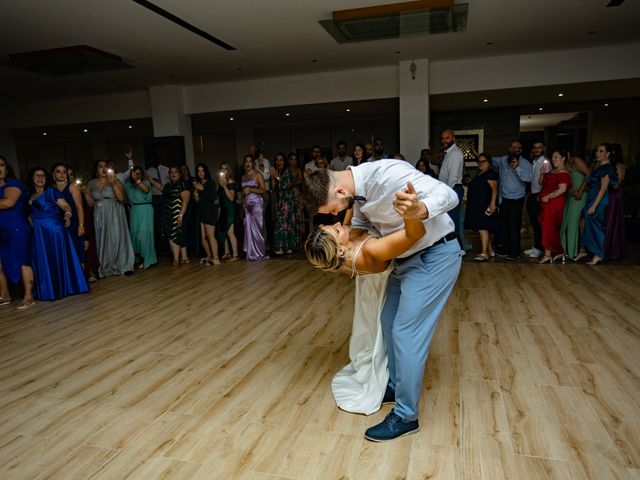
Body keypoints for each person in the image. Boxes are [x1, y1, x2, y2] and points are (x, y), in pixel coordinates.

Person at [303, 160, 460, 442]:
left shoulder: (388, 176)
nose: (338, 217)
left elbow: (449, 195)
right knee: (388, 322)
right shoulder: (358, 194)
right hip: (404, 262)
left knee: (406, 333)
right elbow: (364, 225)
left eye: (334, 210)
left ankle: (405, 415)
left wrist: (419, 210)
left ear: (339, 191)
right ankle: (396, 385)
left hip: (432, 256)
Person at [304, 183, 425, 415]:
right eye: (336, 230)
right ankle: (394, 378)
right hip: (380, 288)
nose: (339, 224)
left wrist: (352, 199)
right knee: (386, 328)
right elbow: (414, 234)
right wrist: (410, 213)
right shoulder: (371, 251)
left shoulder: (342, 253)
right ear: (340, 250)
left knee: (376, 327)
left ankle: (392, 374)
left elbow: (349, 225)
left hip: (367, 289)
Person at [27, 167, 89, 301]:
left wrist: (67, 215)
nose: (40, 178)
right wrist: (30, 219)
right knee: (44, 260)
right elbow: (31, 213)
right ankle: (49, 290)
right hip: (39, 233)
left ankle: (64, 287)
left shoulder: (51, 192)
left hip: (54, 231)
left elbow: (66, 206)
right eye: (37, 176)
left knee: (57, 257)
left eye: (43, 176)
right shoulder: (30, 196)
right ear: (32, 178)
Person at [85, 160, 135, 277]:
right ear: (96, 170)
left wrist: (113, 183)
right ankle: (104, 266)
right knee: (102, 238)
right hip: (99, 214)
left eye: (105, 166)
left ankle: (122, 264)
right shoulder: (91, 183)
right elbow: (91, 204)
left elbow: (122, 199)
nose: (103, 168)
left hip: (115, 211)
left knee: (116, 236)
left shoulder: (116, 180)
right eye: (100, 166)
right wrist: (86, 194)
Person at [0, 156, 35, 309]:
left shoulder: (14, 184)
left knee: (22, 261)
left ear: (6, 169)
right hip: (1, 231)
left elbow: (8, 202)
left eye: (1, 165)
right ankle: (4, 295)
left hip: (16, 228)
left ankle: (29, 296)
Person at [575, 143, 617, 265]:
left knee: (595, 225)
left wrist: (594, 206)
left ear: (608, 154)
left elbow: (603, 189)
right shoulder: (598, 167)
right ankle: (583, 250)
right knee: (583, 220)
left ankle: (598, 254)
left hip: (599, 200)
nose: (597, 153)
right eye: (597, 151)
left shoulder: (607, 168)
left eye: (601, 151)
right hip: (591, 198)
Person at [491, 141, 532, 260]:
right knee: (504, 225)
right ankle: (506, 249)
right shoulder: (503, 160)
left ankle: (515, 251)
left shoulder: (525, 163)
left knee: (514, 226)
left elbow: (529, 178)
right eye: (514, 147)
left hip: (516, 199)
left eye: (519, 147)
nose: (516, 149)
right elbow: (492, 161)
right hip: (503, 198)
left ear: (522, 150)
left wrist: (517, 167)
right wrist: (478, 154)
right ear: (509, 148)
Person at [537, 150, 572, 263]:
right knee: (545, 225)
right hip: (545, 203)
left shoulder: (564, 173)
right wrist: (542, 173)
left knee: (548, 226)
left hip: (554, 203)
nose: (553, 159)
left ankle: (548, 255)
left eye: (556, 157)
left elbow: (562, 189)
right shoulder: (551, 171)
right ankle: (558, 251)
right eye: (552, 157)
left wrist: (548, 197)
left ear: (563, 158)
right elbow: (541, 182)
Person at [464, 153, 498, 261]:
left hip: (485, 204)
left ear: (489, 162)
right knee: (482, 227)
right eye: (479, 161)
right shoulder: (479, 173)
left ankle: (484, 253)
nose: (481, 163)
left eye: (484, 161)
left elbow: (494, 190)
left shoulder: (491, 173)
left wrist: (492, 204)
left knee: (483, 228)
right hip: (477, 205)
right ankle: (490, 250)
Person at [51, 163, 85, 264]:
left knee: (77, 252)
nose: (62, 174)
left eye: (64, 172)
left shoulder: (72, 187)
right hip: (58, 225)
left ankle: (80, 279)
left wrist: (81, 226)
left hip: (73, 224)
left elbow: (79, 208)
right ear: (53, 174)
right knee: (64, 255)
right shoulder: (50, 189)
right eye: (58, 171)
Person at [125, 166, 157, 270]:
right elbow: (122, 196)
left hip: (145, 209)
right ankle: (138, 259)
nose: (137, 175)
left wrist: (138, 181)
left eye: (139, 173)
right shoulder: (127, 185)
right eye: (135, 173)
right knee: (134, 235)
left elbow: (146, 190)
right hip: (134, 210)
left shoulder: (145, 182)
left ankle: (149, 259)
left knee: (144, 235)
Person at [438, 129, 465, 249]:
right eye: (443, 138)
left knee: (452, 221)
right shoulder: (448, 153)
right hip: (451, 190)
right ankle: (455, 248)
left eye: (447, 138)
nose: (444, 140)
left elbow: (453, 178)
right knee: (450, 221)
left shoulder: (454, 154)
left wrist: (446, 195)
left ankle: (458, 248)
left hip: (453, 189)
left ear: (453, 139)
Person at [559, 154, 589, 260]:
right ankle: (565, 251)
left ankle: (575, 252)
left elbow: (589, 173)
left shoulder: (575, 160)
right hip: (570, 196)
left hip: (579, 196)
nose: (555, 159)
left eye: (557, 156)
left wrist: (580, 190)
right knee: (565, 223)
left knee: (573, 222)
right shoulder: (561, 166)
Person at [161, 166, 191, 267]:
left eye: (176, 172)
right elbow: (160, 188)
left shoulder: (183, 184)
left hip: (178, 213)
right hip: (168, 214)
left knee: (176, 235)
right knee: (170, 236)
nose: (173, 174)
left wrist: (180, 216)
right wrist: (150, 179)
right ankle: (177, 259)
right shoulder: (168, 186)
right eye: (171, 172)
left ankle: (176, 260)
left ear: (180, 174)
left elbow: (186, 202)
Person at [271, 153, 300, 254]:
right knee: (281, 224)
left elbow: (286, 184)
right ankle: (282, 247)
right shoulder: (277, 172)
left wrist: (277, 177)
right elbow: (274, 188)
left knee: (287, 223)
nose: (279, 162)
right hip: (280, 201)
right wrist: (273, 177)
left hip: (288, 201)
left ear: (284, 161)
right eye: (277, 160)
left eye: (281, 160)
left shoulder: (287, 171)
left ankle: (288, 247)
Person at [192, 163, 220, 265]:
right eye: (199, 171)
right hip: (201, 212)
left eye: (202, 170)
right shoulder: (198, 183)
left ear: (206, 171)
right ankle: (210, 256)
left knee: (210, 235)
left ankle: (216, 258)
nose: (201, 173)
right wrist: (195, 193)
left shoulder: (210, 183)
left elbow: (213, 197)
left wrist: (202, 189)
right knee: (203, 237)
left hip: (210, 211)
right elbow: (198, 201)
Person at [242, 154, 268, 260]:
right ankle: (251, 253)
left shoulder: (258, 174)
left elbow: (264, 190)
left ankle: (260, 253)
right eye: (246, 162)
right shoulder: (243, 176)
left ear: (253, 163)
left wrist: (251, 190)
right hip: (247, 206)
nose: (248, 163)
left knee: (257, 230)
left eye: (250, 161)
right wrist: (243, 205)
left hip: (257, 205)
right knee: (248, 230)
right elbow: (243, 193)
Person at [524, 141, 548, 258]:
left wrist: (541, 195)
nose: (537, 149)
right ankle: (536, 246)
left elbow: (547, 181)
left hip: (540, 195)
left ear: (544, 148)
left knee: (538, 223)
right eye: (535, 147)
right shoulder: (534, 161)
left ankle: (540, 248)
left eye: (539, 147)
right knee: (534, 223)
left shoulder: (545, 162)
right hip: (533, 194)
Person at [604, 144, 627, 261]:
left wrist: (606, 184)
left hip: (614, 194)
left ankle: (609, 250)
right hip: (618, 194)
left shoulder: (617, 166)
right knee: (615, 221)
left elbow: (616, 183)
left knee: (611, 220)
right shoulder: (622, 165)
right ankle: (614, 250)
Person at [217, 162, 239, 262]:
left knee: (230, 232)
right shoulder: (220, 181)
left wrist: (225, 186)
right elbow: (220, 197)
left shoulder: (230, 181)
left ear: (228, 170)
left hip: (230, 208)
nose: (223, 170)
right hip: (223, 209)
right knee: (223, 231)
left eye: (225, 169)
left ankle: (235, 255)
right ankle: (227, 252)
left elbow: (231, 197)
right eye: (222, 169)